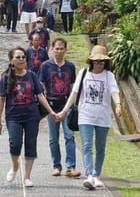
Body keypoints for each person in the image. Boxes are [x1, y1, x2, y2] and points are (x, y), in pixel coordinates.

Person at [57, 45, 122, 190]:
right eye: (96, 61)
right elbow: (74, 94)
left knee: (100, 148)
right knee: (86, 146)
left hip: (102, 117)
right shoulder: (84, 73)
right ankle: (90, 176)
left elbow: (114, 91)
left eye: (102, 62)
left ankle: (97, 175)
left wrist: (118, 104)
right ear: (91, 61)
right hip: (85, 115)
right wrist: (64, 110)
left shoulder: (108, 76)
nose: (99, 64)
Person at [0, 47, 56, 188]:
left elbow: (40, 95)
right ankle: (15, 166)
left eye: (23, 57)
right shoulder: (5, 78)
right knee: (14, 143)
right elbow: (1, 99)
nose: (21, 59)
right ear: (11, 60)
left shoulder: (32, 76)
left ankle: (27, 176)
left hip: (31, 116)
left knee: (30, 145)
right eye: (18, 57)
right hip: (13, 117)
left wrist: (51, 111)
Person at [38, 38, 81, 178]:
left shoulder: (70, 66)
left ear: (65, 49)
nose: (59, 51)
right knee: (53, 138)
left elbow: (72, 86)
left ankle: (71, 167)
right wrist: (46, 106)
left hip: (66, 105)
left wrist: (70, 105)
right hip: (51, 106)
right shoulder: (45, 66)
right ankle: (56, 165)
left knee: (69, 136)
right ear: (52, 49)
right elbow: (41, 86)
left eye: (62, 48)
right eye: (57, 48)